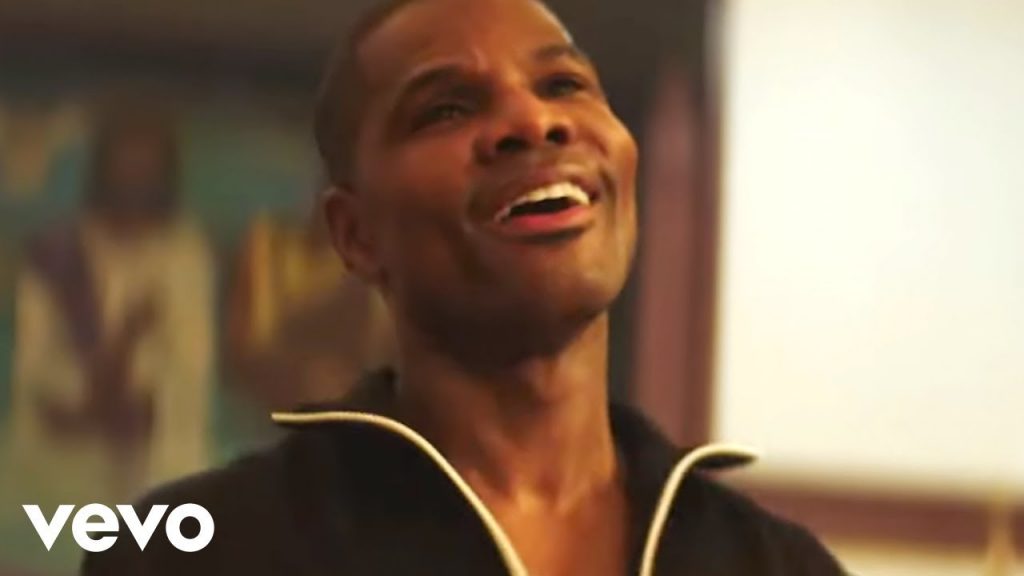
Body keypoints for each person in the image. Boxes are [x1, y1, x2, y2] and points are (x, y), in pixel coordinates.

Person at [83, 0, 845, 574]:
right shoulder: (193, 553)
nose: (534, 119)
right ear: (356, 234)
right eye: (446, 108)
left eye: (564, 83)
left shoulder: (777, 566)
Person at [9, 104, 214, 507]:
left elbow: (191, 370)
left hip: (155, 459)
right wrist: (83, 405)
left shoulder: (185, 256)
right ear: (102, 171)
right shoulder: (56, 254)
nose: (133, 184)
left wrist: (140, 403)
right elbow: (32, 368)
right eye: (124, 169)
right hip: (58, 454)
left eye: (145, 171)